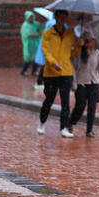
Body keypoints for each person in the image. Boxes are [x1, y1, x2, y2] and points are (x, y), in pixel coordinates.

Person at [37, 10, 84, 138]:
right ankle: (42, 122)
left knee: (65, 101)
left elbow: (70, 52)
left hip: (66, 72)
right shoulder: (47, 34)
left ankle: (64, 127)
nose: (63, 19)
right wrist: (53, 63)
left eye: (65, 17)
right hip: (51, 73)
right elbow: (46, 51)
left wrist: (78, 46)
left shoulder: (69, 34)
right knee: (49, 99)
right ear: (56, 17)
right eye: (61, 16)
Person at [68, 29, 99, 138]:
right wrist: (73, 84)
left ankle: (89, 130)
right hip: (81, 82)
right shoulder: (77, 53)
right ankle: (71, 123)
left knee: (92, 107)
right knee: (80, 105)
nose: (89, 44)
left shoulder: (97, 53)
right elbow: (72, 68)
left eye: (91, 41)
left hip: (94, 82)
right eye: (87, 41)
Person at [33, 12, 60, 90]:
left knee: (48, 65)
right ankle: (40, 82)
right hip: (51, 46)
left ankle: (41, 82)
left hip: (47, 44)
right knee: (48, 64)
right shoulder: (54, 23)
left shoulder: (50, 22)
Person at [20, 11, 42, 76]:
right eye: (30, 17)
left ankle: (34, 71)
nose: (31, 18)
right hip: (29, 44)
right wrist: (36, 35)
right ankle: (24, 70)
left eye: (32, 17)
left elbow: (41, 27)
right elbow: (27, 34)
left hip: (35, 44)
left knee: (36, 58)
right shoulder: (25, 25)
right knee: (27, 58)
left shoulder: (35, 24)